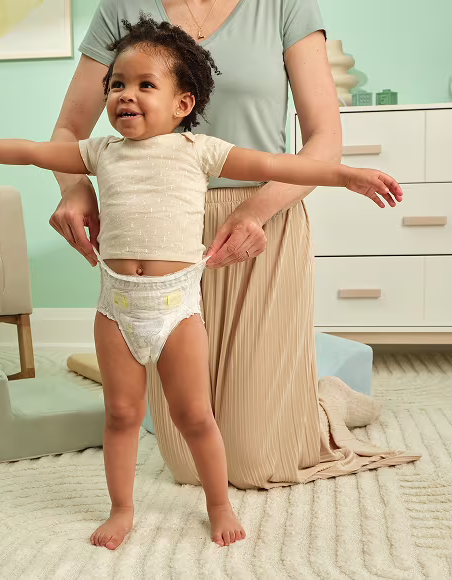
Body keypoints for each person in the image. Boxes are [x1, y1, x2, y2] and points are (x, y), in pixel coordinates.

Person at [0, 16, 403, 550]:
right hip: (115, 307)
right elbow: (32, 151)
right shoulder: (99, 153)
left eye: (146, 85)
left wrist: (347, 175)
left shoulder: (202, 152)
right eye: (117, 84)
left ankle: (218, 504)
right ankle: (121, 509)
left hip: (176, 310)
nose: (126, 94)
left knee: (195, 414)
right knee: (123, 413)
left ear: (183, 104)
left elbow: (277, 162)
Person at [49, 0, 419, 498]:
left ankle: (327, 399)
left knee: (255, 461)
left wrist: (253, 212)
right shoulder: (120, 7)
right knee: (186, 463)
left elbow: (324, 141)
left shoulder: (285, 6)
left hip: (260, 219)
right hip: (161, 231)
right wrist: (76, 190)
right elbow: (68, 132)